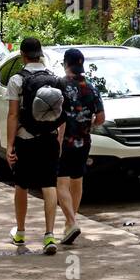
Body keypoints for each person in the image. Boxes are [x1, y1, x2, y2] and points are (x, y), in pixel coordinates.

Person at [5, 37, 65, 255]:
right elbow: (62, 116)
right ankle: (49, 235)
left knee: (21, 185)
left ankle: (20, 231)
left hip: (25, 139)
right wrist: (58, 139)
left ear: (23, 55)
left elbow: (13, 114)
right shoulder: (56, 79)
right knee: (49, 185)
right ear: (40, 54)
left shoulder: (17, 80)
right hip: (48, 138)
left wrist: (10, 145)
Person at [55, 48, 103, 245]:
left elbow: (55, 113)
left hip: (63, 141)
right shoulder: (91, 87)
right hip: (84, 141)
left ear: (66, 63)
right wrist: (86, 123)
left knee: (60, 182)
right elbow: (101, 118)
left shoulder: (60, 84)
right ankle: (70, 223)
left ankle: (72, 222)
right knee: (77, 180)